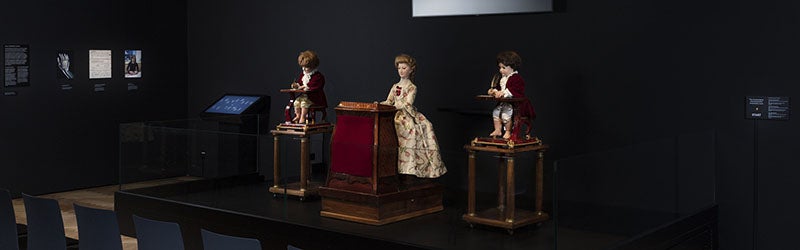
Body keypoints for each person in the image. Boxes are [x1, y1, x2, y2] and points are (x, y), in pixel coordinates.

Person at [380, 54, 446, 179]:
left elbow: (408, 104)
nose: (401, 71)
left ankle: (409, 168)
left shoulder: (412, 87)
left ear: (411, 69)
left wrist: (395, 105)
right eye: (399, 68)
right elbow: (389, 101)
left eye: (404, 68)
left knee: (418, 128)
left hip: (406, 115)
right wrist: (381, 104)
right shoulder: (395, 86)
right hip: (395, 114)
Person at [487, 51, 534, 139]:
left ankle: (508, 131)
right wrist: (494, 91)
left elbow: (515, 90)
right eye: (500, 67)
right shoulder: (502, 78)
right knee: (496, 113)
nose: (501, 70)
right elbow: (497, 87)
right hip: (503, 103)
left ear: (512, 67)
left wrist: (504, 93)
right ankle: (498, 129)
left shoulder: (516, 78)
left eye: (503, 68)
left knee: (505, 115)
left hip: (514, 104)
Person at [290, 50, 327, 124]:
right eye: (303, 67)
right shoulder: (303, 75)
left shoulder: (318, 76)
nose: (304, 69)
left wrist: (303, 87)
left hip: (314, 97)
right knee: (296, 102)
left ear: (313, 66)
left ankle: (303, 117)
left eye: (306, 67)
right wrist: (296, 85)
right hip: (305, 96)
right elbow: (300, 83)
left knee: (304, 103)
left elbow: (313, 86)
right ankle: (298, 115)